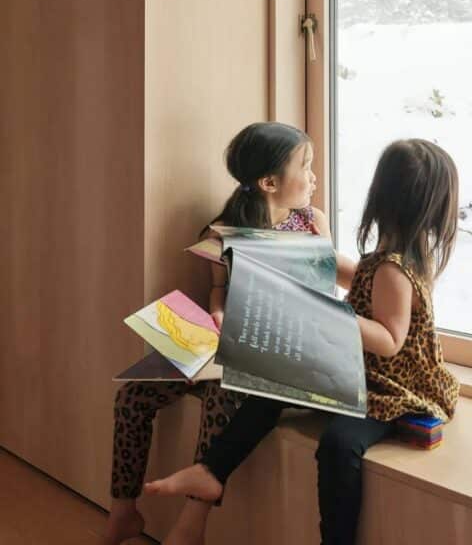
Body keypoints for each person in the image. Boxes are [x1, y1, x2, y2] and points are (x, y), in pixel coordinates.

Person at [145, 138, 460, 545]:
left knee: (338, 446)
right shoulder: (385, 258)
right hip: (361, 375)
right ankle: (210, 472)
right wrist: (309, 261)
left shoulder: (394, 270)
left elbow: (389, 342)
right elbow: (351, 275)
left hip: (392, 391)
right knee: (278, 382)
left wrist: (321, 314)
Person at [103, 121, 349, 545]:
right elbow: (218, 293)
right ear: (269, 182)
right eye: (305, 167)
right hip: (227, 341)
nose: (313, 177)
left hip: (288, 350)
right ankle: (123, 511)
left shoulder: (313, 224)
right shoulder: (223, 230)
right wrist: (217, 316)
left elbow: (326, 288)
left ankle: (192, 522)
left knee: (221, 394)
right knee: (132, 393)